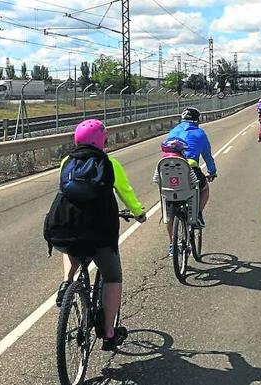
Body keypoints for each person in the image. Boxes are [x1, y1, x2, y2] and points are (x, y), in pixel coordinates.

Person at [48, 119, 147, 351]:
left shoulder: (66, 162)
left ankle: (66, 282)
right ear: (103, 139)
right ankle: (109, 334)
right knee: (112, 277)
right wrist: (139, 213)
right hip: (100, 232)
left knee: (70, 247)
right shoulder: (110, 163)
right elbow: (125, 192)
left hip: (66, 226)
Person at [167, 107, 217, 227]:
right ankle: (197, 214)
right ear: (196, 121)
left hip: (168, 169)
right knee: (204, 189)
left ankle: (171, 244)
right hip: (189, 169)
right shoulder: (200, 133)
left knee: (169, 210)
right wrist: (212, 171)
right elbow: (207, 156)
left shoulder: (173, 131)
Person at [153, 138, 200, 255]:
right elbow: (193, 180)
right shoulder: (184, 163)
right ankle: (194, 220)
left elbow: (156, 180)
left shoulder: (162, 163)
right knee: (195, 192)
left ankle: (171, 244)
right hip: (186, 194)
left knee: (169, 218)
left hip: (168, 196)